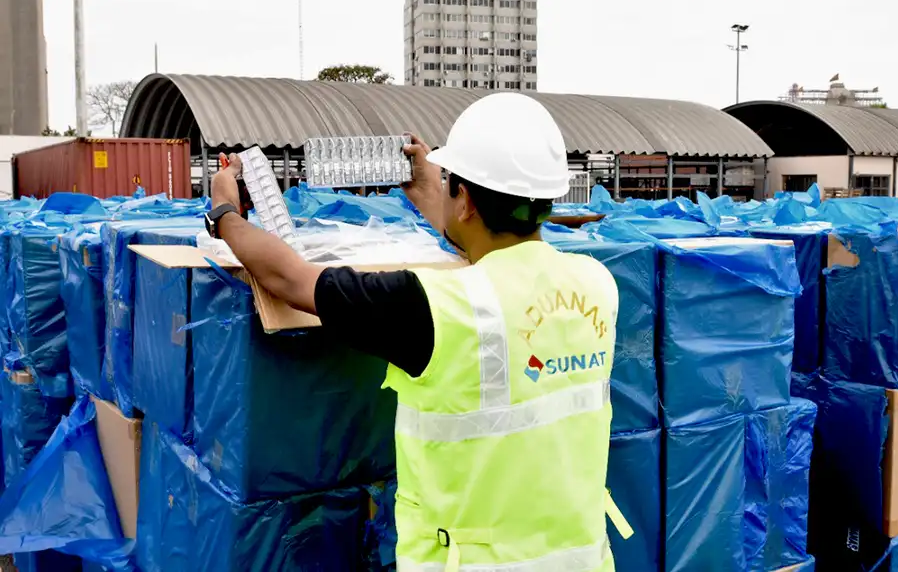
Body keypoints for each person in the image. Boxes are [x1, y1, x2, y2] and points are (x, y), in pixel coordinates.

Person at [205, 92, 631, 572]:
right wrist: (434, 189)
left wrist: (225, 213)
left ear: (466, 201)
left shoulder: (429, 307)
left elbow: (290, 280)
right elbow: (500, 261)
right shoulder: (596, 284)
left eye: (452, 183)